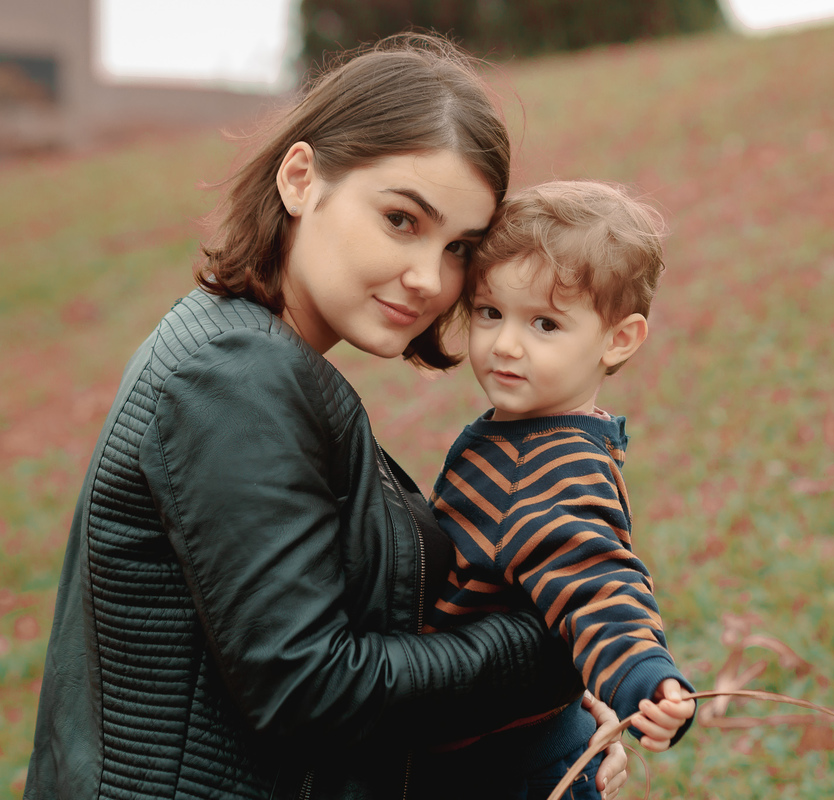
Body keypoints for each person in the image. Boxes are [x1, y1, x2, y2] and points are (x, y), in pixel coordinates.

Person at [22, 34, 635, 800]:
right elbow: (305, 689)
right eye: (402, 219)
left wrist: (533, 730)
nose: (429, 278)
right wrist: (548, 653)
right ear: (301, 178)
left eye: (459, 248)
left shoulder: (247, 355)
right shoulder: (234, 376)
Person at [414, 181, 696, 799]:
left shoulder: (548, 465)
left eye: (545, 323)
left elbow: (593, 580)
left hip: (510, 768)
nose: (505, 344)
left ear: (619, 339)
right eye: (490, 312)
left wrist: (643, 676)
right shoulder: (533, 435)